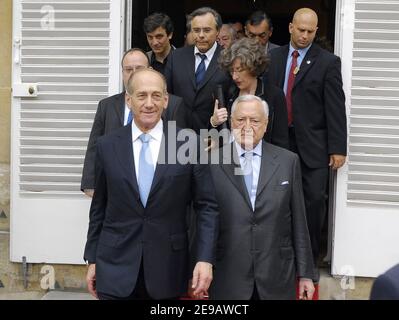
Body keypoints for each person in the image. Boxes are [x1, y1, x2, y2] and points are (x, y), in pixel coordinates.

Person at [84, 68, 219, 300]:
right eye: (141, 95)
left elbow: (207, 206)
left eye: (156, 96)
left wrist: (205, 259)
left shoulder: (188, 144)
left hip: (168, 269)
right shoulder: (107, 146)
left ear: (166, 100)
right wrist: (92, 259)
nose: (149, 103)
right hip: (114, 267)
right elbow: (100, 207)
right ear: (129, 100)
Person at [267, 8, 347, 282]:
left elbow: (335, 107)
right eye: (300, 29)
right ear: (290, 27)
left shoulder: (327, 62)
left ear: (316, 32)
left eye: (310, 31)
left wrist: (338, 148)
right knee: (277, 202)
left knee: (313, 203)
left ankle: (309, 263)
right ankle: (279, 261)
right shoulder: (272, 57)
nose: (304, 35)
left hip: (313, 146)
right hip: (278, 141)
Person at [208, 95, 315, 300]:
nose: (247, 126)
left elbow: (299, 221)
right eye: (240, 120)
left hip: (276, 273)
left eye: (255, 121)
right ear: (231, 123)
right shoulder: (212, 163)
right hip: (228, 274)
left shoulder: (288, 161)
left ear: (266, 125)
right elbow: (201, 220)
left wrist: (306, 274)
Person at [81, 48, 185, 197]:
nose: (133, 73)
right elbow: (94, 147)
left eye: (139, 68)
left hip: (158, 189)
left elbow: (178, 149)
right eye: (128, 69)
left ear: (150, 69)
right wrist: (90, 185)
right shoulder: (106, 105)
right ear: (122, 72)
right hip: (114, 187)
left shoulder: (173, 104)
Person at [210, 37, 288, 149]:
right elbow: (211, 137)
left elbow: (281, 141)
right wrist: (214, 122)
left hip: (263, 161)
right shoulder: (225, 92)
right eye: (232, 70)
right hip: (229, 160)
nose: (234, 76)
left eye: (239, 70)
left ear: (253, 67)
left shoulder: (274, 95)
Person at [165, 7, 229, 134]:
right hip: (178, 134)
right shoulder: (176, 57)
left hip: (213, 136)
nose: (200, 35)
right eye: (196, 30)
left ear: (217, 31)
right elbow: (167, 95)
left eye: (206, 30)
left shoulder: (228, 59)